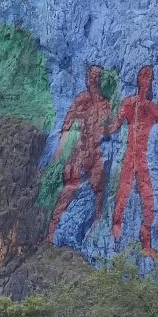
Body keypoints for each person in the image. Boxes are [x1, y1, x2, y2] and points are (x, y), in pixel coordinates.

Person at [110, 65, 158, 259]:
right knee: (122, 198)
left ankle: (146, 243)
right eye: (143, 75)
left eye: (149, 76)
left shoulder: (154, 108)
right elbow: (114, 127)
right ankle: (114, 236)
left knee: (148, 201)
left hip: (143, 161)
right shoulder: (128, 103)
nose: (146, 80)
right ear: (138, 79)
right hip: (128, 160)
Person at [45, 64, 115, 238]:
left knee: (99, 195)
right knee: (68, 192)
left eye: (97, 77)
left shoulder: (105, 105)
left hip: (96, 156)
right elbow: (67, 126)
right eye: (91, 76)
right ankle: (51, 233)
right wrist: (60, 153)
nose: (93, 80)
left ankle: (96, 233)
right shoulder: (81, 100)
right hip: (79, 155)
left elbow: (107, 131)